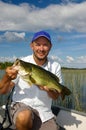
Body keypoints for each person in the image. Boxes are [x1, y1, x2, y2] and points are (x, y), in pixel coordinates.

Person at [0, 30, 62, 130]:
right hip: (21, 107)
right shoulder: (22, 63)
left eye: (45, 45)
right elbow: (2, 91)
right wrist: (7, 77)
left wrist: (48, 89)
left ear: (50, 46)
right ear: (31, 46)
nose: (41, 49)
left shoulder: (55, 66)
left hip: (44, 112)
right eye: (38, 44)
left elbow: (55, 96)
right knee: (24, 116)